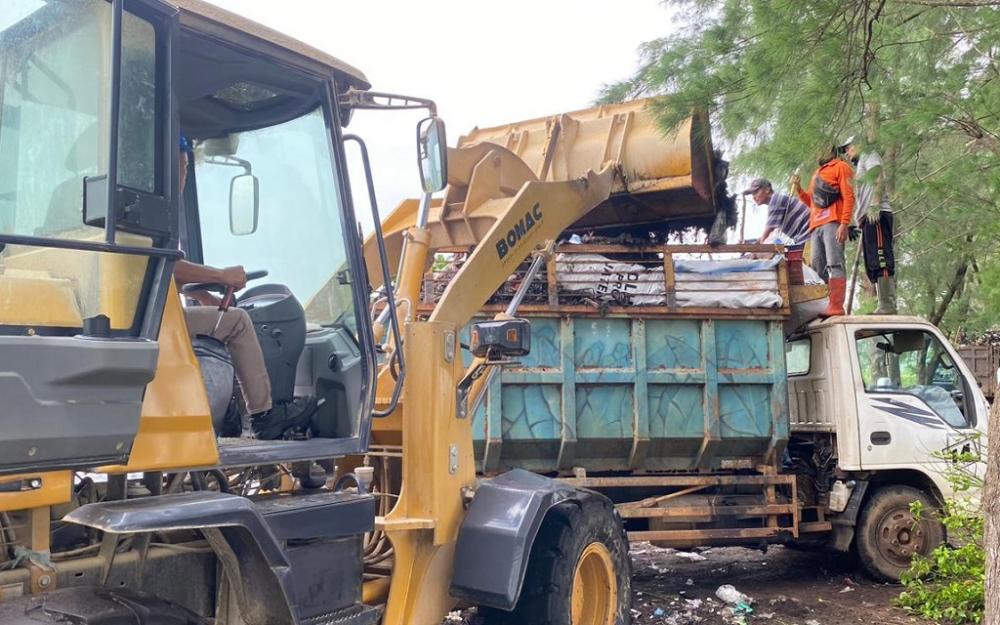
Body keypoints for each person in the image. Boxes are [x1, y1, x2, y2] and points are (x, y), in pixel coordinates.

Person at [176, 134, 314, 438]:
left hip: (149, 320)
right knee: (238, 321)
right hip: (157, 326)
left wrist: (197, 293)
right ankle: (265, 416)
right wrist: (222, 276)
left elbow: (155, 273)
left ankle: (231, 418)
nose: (183, 176)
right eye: (182, 168)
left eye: (186, 169)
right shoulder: (155, 215)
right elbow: (168, 267)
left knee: (225, 320)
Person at [790, 144, 855, 317]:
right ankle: (823, 305)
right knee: (818, 265)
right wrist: (798, 189)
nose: (818, 152)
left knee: (835, 262)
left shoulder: (841, 167)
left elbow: (849, 196)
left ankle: (836, 306)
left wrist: (844, 223)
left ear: (830, 151)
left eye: (821, 148)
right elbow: (812, 202)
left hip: (832, 222)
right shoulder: (817, 173)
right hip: (816, 225)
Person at [840, 136, 895, 314]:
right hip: (867, 218)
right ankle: (883, 303)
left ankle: (888, 304)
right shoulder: (860, 165)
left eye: (848, 148)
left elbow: (878, 176)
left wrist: (875, 204)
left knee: (881, 258)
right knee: (872, 262)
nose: (847, 153)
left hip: (877, 214)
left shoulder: (869, 155)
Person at [742, 178, 811, 247]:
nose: (754, 197)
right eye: (752, 194)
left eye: (756, 192)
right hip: (805, 235)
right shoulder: (775, 201)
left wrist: (759, 247)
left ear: (767, 189)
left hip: (808, 234)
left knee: (773, 246)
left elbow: (767, 231)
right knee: (775, 241)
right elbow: (769, 235)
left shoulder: (775, 200)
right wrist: (750, 242)